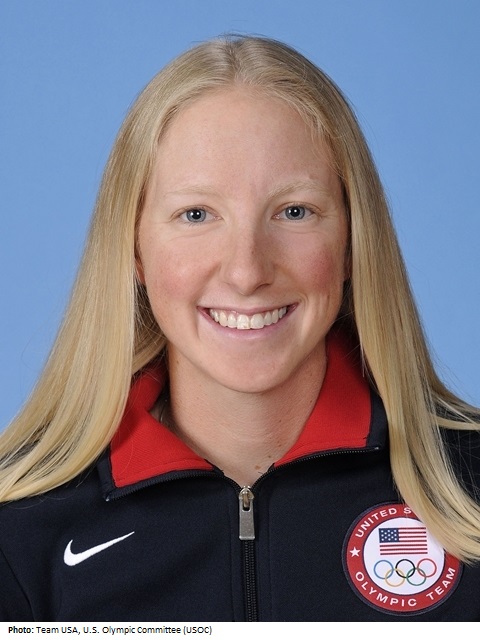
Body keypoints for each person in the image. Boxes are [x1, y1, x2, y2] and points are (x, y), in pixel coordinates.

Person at [0, 35, 479, 622]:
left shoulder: (471, 490)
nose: (247, 271)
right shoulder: (18, 534)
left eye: (294, 211)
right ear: (134, 249)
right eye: (196, 214)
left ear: (353, 241)